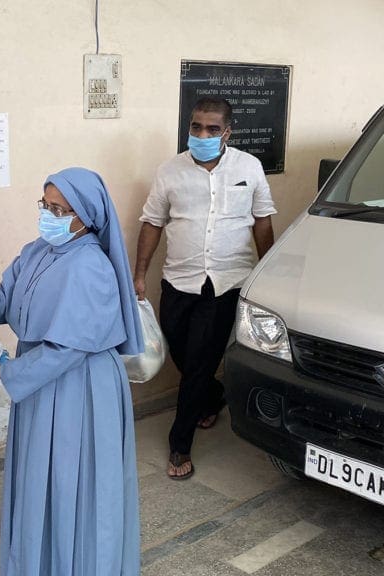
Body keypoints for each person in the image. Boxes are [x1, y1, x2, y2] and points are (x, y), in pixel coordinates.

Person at [0, 167, 143, 576]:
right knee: (42, 475)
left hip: (81, 385)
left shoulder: (91, 266)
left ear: (86, 216)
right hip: (41, 379)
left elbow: (68, 348)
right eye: (46, 205)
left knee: (76, 479)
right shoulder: (38, 250)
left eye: (60, 209)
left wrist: (8, 371)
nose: (49, 216)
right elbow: (9, 294)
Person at [134, 97, 276, 481]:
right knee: (181, 352)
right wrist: (139, 274)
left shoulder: (249, 167)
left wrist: (268, 273)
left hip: (227, 281)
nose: (202, 134)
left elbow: (262, 223)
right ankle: (214, 397)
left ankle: (180, 441)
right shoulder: (170, 171)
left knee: (197, 362)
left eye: (212, 129)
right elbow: (151, 223)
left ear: (227, 132)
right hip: (179, 280)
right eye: (196, 127)